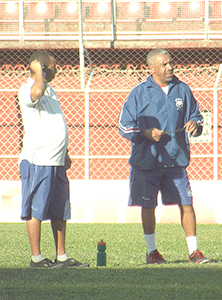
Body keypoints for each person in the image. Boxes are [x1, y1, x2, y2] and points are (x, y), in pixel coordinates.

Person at [118, 49, 209, 264]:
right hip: (147, 162)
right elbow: (124, 126)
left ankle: (194, 252)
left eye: (171, 63)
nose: (170, 67)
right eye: (164, 64)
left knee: (186, 204)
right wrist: (145, 133)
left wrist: (195, 124)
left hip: (176, 160)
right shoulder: (139, 93)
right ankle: (152, 252)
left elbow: (197, 116)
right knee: (148, 206)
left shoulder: (183, 89)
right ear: (152, 68)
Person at [18, 50, 89, 269]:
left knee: (60, 209)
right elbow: (36, 90)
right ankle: (37, 258)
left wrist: (64, 152)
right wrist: (38, 70)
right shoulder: (27, 89)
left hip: (56, 160)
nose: (57, 69)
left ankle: (61, 257)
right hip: (39, 160)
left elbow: (54, 121)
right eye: (53, 66)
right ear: (42, 68)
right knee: (36, 209)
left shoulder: (51, 91)